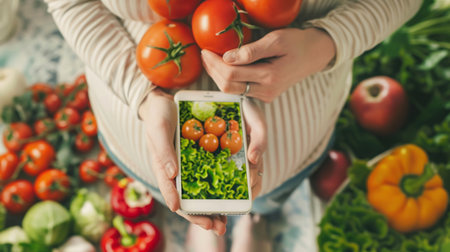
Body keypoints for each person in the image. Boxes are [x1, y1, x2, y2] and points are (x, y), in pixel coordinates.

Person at [44, 0, 422, 250]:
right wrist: (141, 93)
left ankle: (254, 218)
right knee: (189, 201)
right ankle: (215, 226)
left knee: (271, 198)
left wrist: (326, 43)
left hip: (294, 148)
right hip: (139, 133)